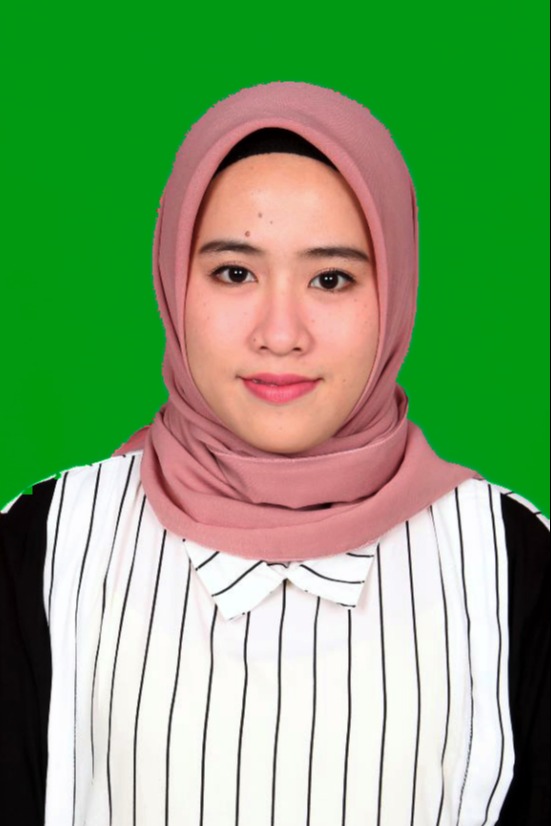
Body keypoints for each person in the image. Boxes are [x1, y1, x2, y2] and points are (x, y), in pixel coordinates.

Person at [0, 82, 548, 826]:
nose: (281, 333)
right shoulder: (44, 545)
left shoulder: (510, 563)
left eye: (331, 278)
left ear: (394, 293)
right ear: (172, 283)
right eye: (235, 272)